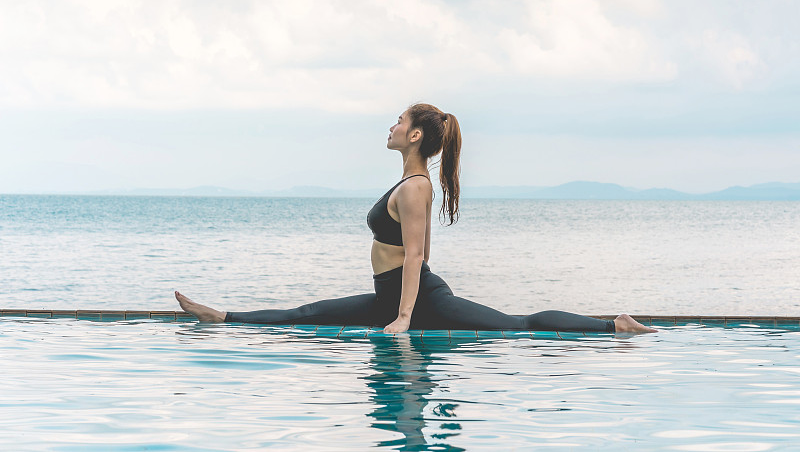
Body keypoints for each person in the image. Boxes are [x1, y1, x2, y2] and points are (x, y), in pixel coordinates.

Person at [176, 103, 656, 334]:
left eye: (398, 121)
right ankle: (221, 315)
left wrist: (406, 316)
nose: (391, 125)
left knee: (518, 325)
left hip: (419, 298)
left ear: (415, 135)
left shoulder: (415, 187)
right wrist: (397, 307)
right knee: (309, 314)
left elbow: (416, 256)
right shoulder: (411, 185)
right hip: (391, 295)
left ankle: (614, 326)